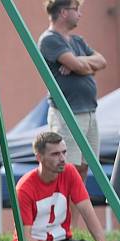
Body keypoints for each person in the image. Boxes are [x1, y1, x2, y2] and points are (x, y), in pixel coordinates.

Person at [39, 0, 105, 182]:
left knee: (84, 168)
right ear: (63, 13)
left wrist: (79, 63)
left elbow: (102, 61)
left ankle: (75, 211)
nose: (80, 14)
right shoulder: (49, 39)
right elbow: (81, 66)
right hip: (67, 114)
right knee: (69, 168)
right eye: (76, 9)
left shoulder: (77, 41)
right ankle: (66, 211)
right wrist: (82, 65)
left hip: (89, 112)